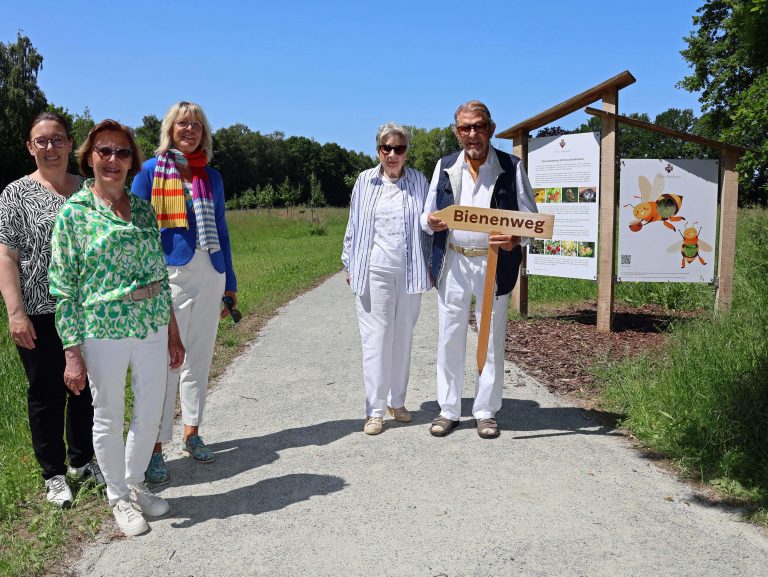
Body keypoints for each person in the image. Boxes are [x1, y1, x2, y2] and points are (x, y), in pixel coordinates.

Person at [48, 119, 185, 536]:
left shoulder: (143, 209)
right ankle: (118, 498)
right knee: (108, 414)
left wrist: (173, 331)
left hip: (151, 324)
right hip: (102, 328)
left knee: (150, 410)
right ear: (89, 158)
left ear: (132, 161)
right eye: (104, 151)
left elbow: (160, 274)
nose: (113, 159)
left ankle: (135, 483)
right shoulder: (74, 214)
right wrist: (72, 352)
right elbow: (63, 287)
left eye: (122, 152)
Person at [131, 102, 237, 483]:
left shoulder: (211, 176)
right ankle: (155, 447)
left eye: (196, 125)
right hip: (170, 274)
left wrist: (230, 282)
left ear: (203, 132)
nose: (189, 130)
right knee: (167, 361)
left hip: (211, 271)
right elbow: (137, 232)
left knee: (200, 359)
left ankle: (192, 432)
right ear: (170, 130)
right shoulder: (149, 172)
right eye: (182, 124)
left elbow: (222, 230)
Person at [0, 112, 101, 508]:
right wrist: (15, 313)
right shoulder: (15, 194)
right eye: (41, 141)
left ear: (69, 144)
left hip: (91, 309)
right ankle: (54, 474)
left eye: (58, 139)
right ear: (30, 147)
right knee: (46, 392)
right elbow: (6, 256)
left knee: (86, 388)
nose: (50, 147)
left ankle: (83, 461)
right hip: (39, 311)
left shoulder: (90, 189)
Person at [421, 101, 537, 439]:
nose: (472, 134)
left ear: (491, 129)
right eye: (465, 127)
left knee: (491, 338)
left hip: (494, 262)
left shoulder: (510, 166)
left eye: (479, 126)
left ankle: (485, 410)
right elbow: (427, 215)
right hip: (454, 261)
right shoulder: (445, 166)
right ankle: (448, 409)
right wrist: (430, 222)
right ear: (457, 132)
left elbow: (531, 219)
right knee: (450, 337)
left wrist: (516, 238)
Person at [342, 122, 431, 435]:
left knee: (403, 336)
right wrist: (348, 262)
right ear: (378, 150)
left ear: (406, 151)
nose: (392, 154)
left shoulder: (419, 180)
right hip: (374, 270)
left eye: (399, 148)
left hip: (410, 271)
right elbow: (353, 224)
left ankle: (398, 401)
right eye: (386, 148)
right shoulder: (365, 181)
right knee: (377, 339)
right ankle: (375, 411)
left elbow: (428, 222)